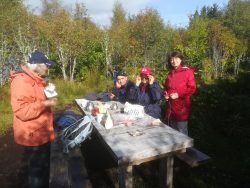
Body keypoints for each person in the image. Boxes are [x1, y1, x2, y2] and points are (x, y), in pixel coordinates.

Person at [10, 50, 57, 188]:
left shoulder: (37, 79)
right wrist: (45, 103)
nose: (48, 68)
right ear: (37, 65)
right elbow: (22, 111)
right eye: (47, 65)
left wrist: (49, 92)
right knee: (37, 173)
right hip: (33, 134)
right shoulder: (22, 81)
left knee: (43, 169)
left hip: (42, 131)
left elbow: (38, 99)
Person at [163, 51, 196, 135]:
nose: (174, 61)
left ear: (181, 59)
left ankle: (184, 148)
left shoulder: (187, 72)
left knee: (182, 134)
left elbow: (192, 88)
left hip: (181, 109)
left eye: (176, 58)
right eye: (172, 59)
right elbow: (166, 88)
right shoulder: (170, 74)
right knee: (171, 134)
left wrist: (178, 94)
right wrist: (165, 94)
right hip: (170, 109)